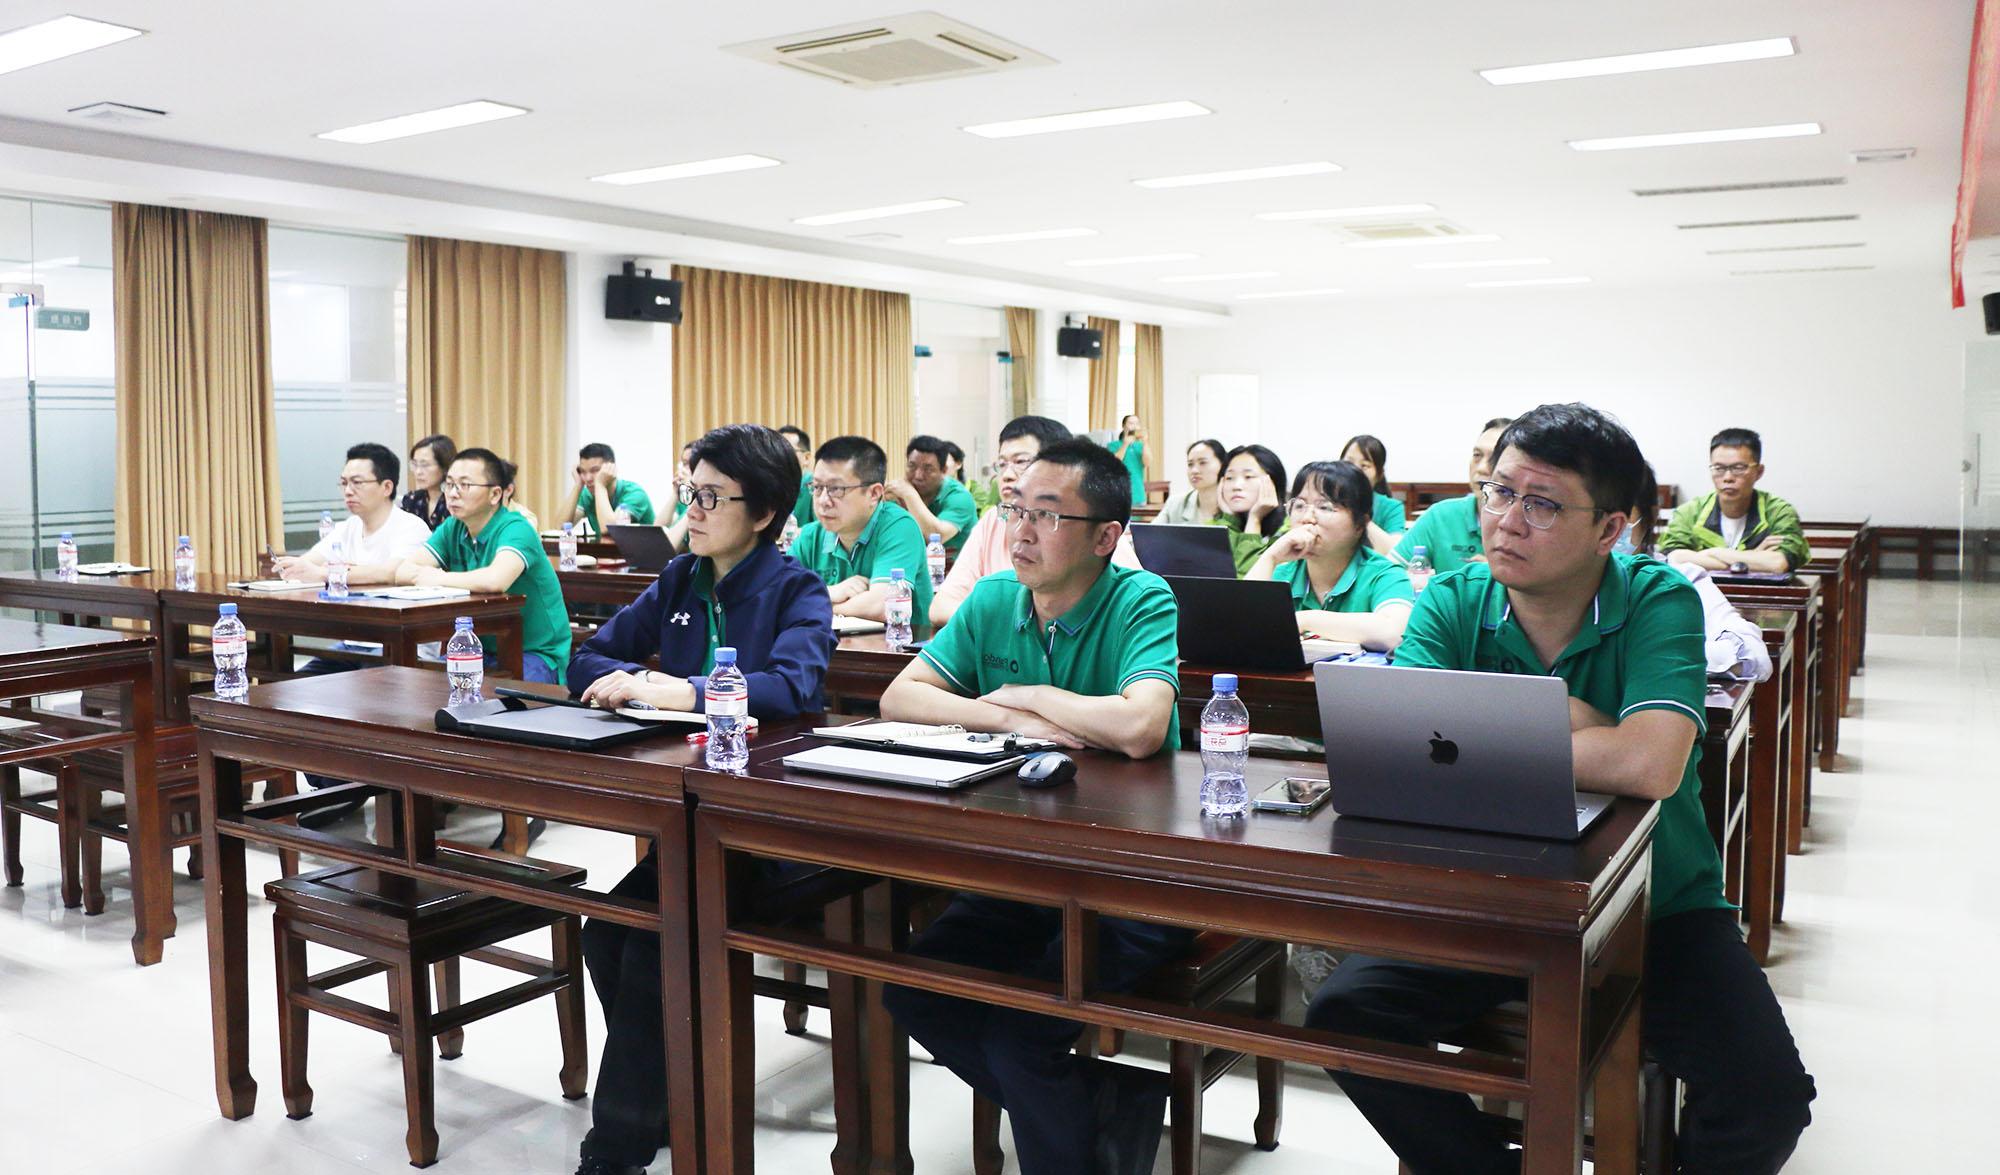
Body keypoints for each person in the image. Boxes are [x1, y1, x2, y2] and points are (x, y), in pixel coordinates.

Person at [1308, 403, 1813, 1175]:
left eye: (1541, 503)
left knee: (1768, 1097)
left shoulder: (1657, 598)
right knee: (1344, 1019)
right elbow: (1404, 746)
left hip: (1656, 908)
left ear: (1609, 528)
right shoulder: (1453, 598)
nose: (1506, 519)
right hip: (1485, 898)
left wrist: (1489, 733)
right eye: (1498, 491)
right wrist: (1578, 720)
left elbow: (1653, 764)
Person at [879, 438, 1187, 1175]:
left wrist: (1027, 695)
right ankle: (1108, 1103)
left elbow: (1142, 726)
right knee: (915, 994)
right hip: (1023, 872)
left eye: (1046, 515)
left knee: (1017, 1036)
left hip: (1134, 879)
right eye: (1015, 509)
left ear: (1106, 536)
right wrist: (1013, 722)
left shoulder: (1141, 596)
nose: (1019, 530)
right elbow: (900, 696)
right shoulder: (993, 599)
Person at [566, 424, 834, 1175]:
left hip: (773, 831)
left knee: (654, 942)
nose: (695, 508)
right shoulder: (682, 577)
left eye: (712, 495)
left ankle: (614, 1149)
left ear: (765, 512)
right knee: (603, 933)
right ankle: (662, 1099)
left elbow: (795, 684)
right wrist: (622, 682)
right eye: (691, 491)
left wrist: (681, 688)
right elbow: (585, 654)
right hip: (691, 819)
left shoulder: (795, 588)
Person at [392, 447, 571, 685]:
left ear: (495, 494)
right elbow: (404, 571)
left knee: (505, 701)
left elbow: (495, 580)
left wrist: (434, 577)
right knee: (420, 687)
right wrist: (426, 575)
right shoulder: (453, 527)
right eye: (449, 484)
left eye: (464, 485)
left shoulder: (516, 528)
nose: (453, 494)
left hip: (534, 652)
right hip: (476, 648)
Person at [1245, 460, 1414, 650]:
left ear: (1360, 523)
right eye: (1299, 505)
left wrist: (1305, 619)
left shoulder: (1383, 574)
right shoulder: (1283, 573)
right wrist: (1270, 557)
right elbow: (1240, 627)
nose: (1307, 518)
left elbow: (1394, 634)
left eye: (1325, 507)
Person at [1631, 465, 1772, 682]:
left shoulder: (1679, 578)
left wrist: (1647, 659)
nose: (1728, 478)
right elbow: (1677, 549)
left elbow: (1752, 656)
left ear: (1650, 516)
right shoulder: (1565, 578)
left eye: (1620, 514)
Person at [931, 415, 1072, 626]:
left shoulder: (1082, 525)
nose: (1006, 475)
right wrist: (1009, 627)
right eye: (1002, 464)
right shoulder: (993, 521)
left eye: (1021, 461)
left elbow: (1129, 612)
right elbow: (941, 607)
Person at [789, 436, 933, 623]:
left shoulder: (899, 526)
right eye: (817, 487)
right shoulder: (810, 536)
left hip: (897, 649)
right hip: (828, 648)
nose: (823, 500)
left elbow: (882, 605)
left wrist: (821, 606)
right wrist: (829, 592)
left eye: (836, 489)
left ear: (874, 494)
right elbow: (777, 597)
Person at [276, 442, 434, 586]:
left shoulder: (411, 527)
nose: (348, 491)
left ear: (386, 487)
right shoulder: (348, 527)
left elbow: (391, 572)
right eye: (344, 483)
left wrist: (325, 573)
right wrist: (292, 567)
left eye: (357, 483)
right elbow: (309, 563)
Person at [1659, 428, 1810, 574]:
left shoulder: (1778, 512)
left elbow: (1778, 563)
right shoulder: (1690, 512)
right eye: (1719, 468)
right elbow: (1674, 557)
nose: (1728, 477)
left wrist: (1712, 553)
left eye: (1738, 468)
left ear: (1759, 471)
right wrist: (1752, 557)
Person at [1393, 416, 1512, 573]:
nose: (1482, 467)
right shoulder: (1440, 517)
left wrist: (1497, 575)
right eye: (1477, 455)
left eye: (1494, 457)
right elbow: (1389, 571)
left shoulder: (1525, 525)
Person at [886, 435, 980, 555]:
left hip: (958, 571)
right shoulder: (897, 494)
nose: (918, 475)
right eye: (912, 466)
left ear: (944, 471)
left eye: (928, 469)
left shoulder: (959, 496)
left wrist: (909, 495)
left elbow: (936, 537)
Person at [1214, 444, 1288, 575]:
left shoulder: (1288, 532)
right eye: (1229, 478)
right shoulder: (1215, 526)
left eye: (1248, 477)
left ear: (1273, 481)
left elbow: (1251, 584)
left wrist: (1254, 519)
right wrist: (1229, 520)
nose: (1236, 486)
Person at [568, 442, 657, 535]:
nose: (587, 478)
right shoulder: (588, 494)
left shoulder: (635, 493)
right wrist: (578, 485)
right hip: (608, 549)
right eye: (583, 472)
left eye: (594, 470)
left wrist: (600, 485)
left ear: (611, 468)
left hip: (643, 549)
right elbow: (561, 527)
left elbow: (609, 529)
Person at [1340, 434, 1408, 553]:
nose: (1354, 470)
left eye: (1364, 465)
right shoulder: (1326, 501)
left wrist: (1359, 517)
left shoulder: (1392, 507)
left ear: (1379, 474)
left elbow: (1395, 551)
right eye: (1349, 463)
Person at [1152, 439, 1227, 526]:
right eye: (1190, 464)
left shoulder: (1237, 504)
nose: (1194, 470)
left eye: (1203, 463)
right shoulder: (1175, 504)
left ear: (1223, 465)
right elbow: (1149, 534)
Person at [399, 433, 455, 530]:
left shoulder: (455, 501)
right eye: (415, 464)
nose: (418, 472)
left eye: (425, 465)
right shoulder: (412, 499)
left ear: (445, 466)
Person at [1107, 413, 1148, 505]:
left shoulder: (1140, 446)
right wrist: (1125, 444)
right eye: (1131, 423)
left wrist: (1145, 442)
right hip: (1121, 494)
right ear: (1123, 426)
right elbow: (1114, 463)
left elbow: (1147, 462)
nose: (1134, 426)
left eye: (1137, 423)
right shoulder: (1113, 445)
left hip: (1139, 494)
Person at [778, 425, 815, 525]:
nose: (780, 456)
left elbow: (824, 530)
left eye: (787, 450)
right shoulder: (771, 486)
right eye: (777, 451)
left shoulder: (817, 486)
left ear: (806, 458)